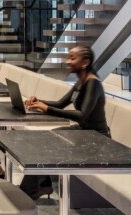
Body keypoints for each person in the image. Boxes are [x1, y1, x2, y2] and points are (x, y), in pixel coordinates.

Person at [19, 45, 109, 199]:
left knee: (47, 142)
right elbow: (60, 104)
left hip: (97, 138)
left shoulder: (93, 83)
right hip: (83, 132)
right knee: (43, 139)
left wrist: (46, 108)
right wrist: (39, 102)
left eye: (72, 58)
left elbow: (82, 115)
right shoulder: (80, 82)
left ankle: (27, 192)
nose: (68, 61)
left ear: (85, 62)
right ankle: (40, 186)